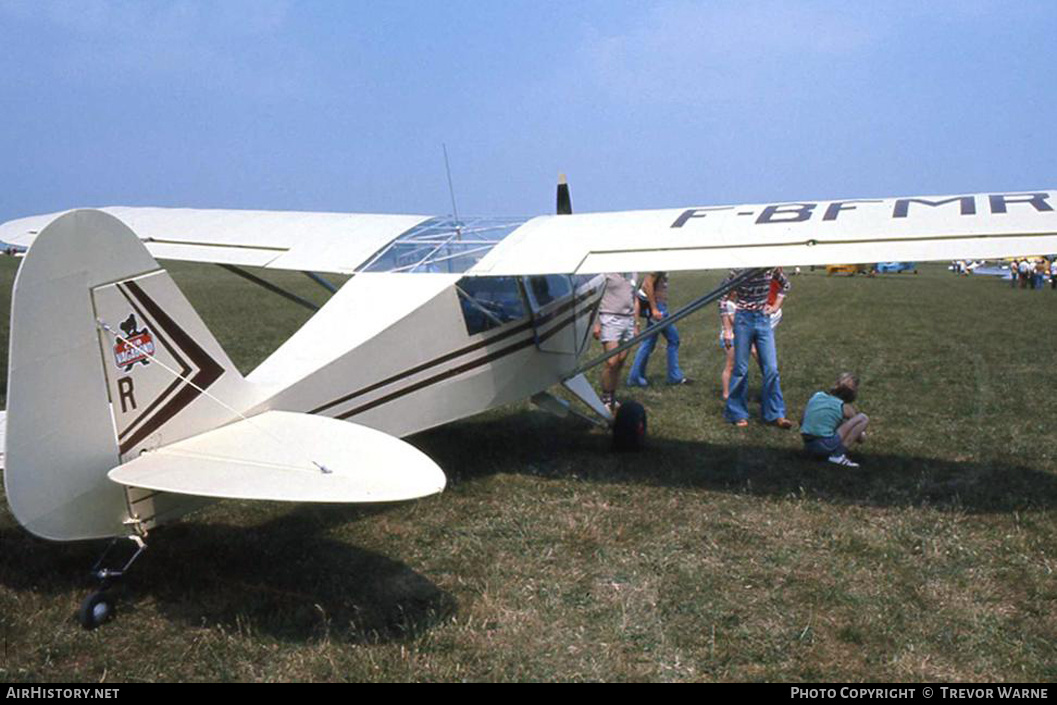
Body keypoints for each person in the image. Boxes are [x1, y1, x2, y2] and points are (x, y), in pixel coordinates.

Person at [722, 267, 794, 428]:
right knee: (740, 369)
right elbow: (722, 297)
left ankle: (776, 414)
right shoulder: (738, 270)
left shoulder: (771, 268)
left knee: (771, 369)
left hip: (763, 320)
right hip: (742, 321)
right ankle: (737, 413)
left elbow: (786, 285)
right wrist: (727, 329)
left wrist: (775, 306)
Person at [626, 271, 689, 387]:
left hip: (659, 306)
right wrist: (654, 308)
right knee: (668, 340)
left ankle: (636, 376)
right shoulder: (658, 263)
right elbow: (647, 284)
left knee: (652, 342)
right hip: (658, 308)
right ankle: (672, 377)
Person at [800, 373, 869, 467]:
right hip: (825, 445)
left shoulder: (817, 395)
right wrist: (861, 434)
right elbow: (861, 439)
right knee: (862, 418)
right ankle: (838, 455)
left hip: (808, 445)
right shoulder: (844, 407)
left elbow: (801, 420)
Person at [594, 272, 639, 414]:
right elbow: (596, 298)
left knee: (621, 361)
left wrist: (636, 323)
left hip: (628, 319)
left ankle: (612, 395)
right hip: (609, 317)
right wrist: (596, 323)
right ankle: (606, 397)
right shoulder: (606, 273)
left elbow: (635, 298)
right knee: (611, 362)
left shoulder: (633, 273)